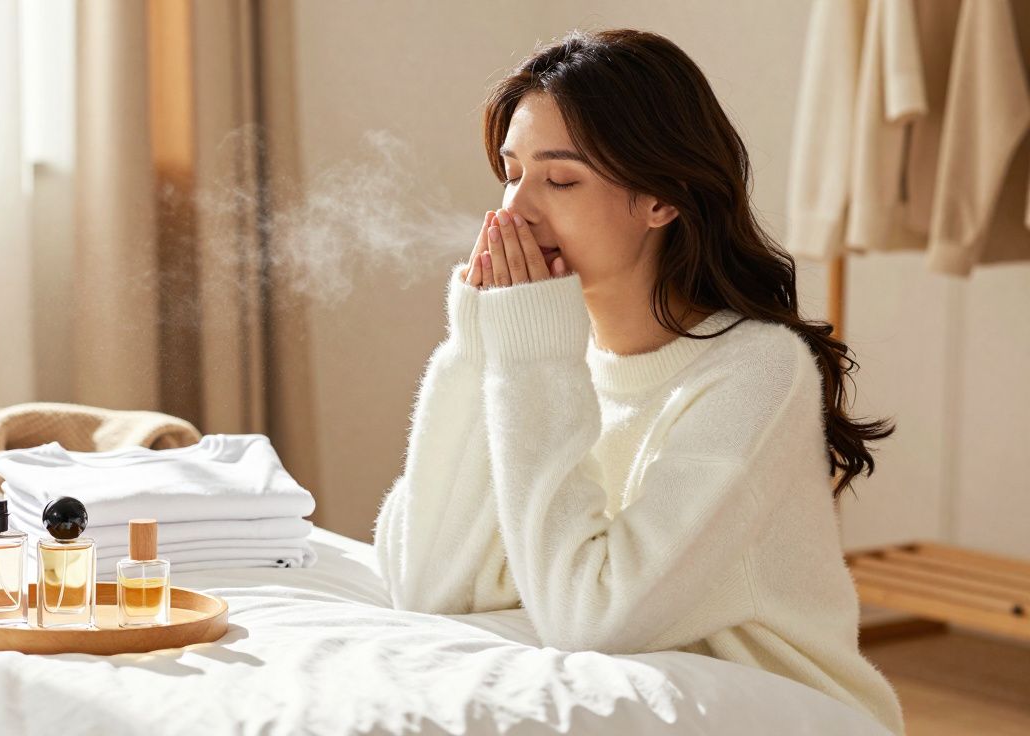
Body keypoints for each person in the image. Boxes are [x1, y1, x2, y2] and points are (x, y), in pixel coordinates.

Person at [372, 28, 905, 735]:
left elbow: (591, 618)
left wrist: (529, 363)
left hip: (774, 707)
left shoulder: (757, 372)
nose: (514, 211)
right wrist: (479, 347)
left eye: (560, 179)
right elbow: (426, 581)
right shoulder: (556, 357)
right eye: (511, 173)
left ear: (662, 198)